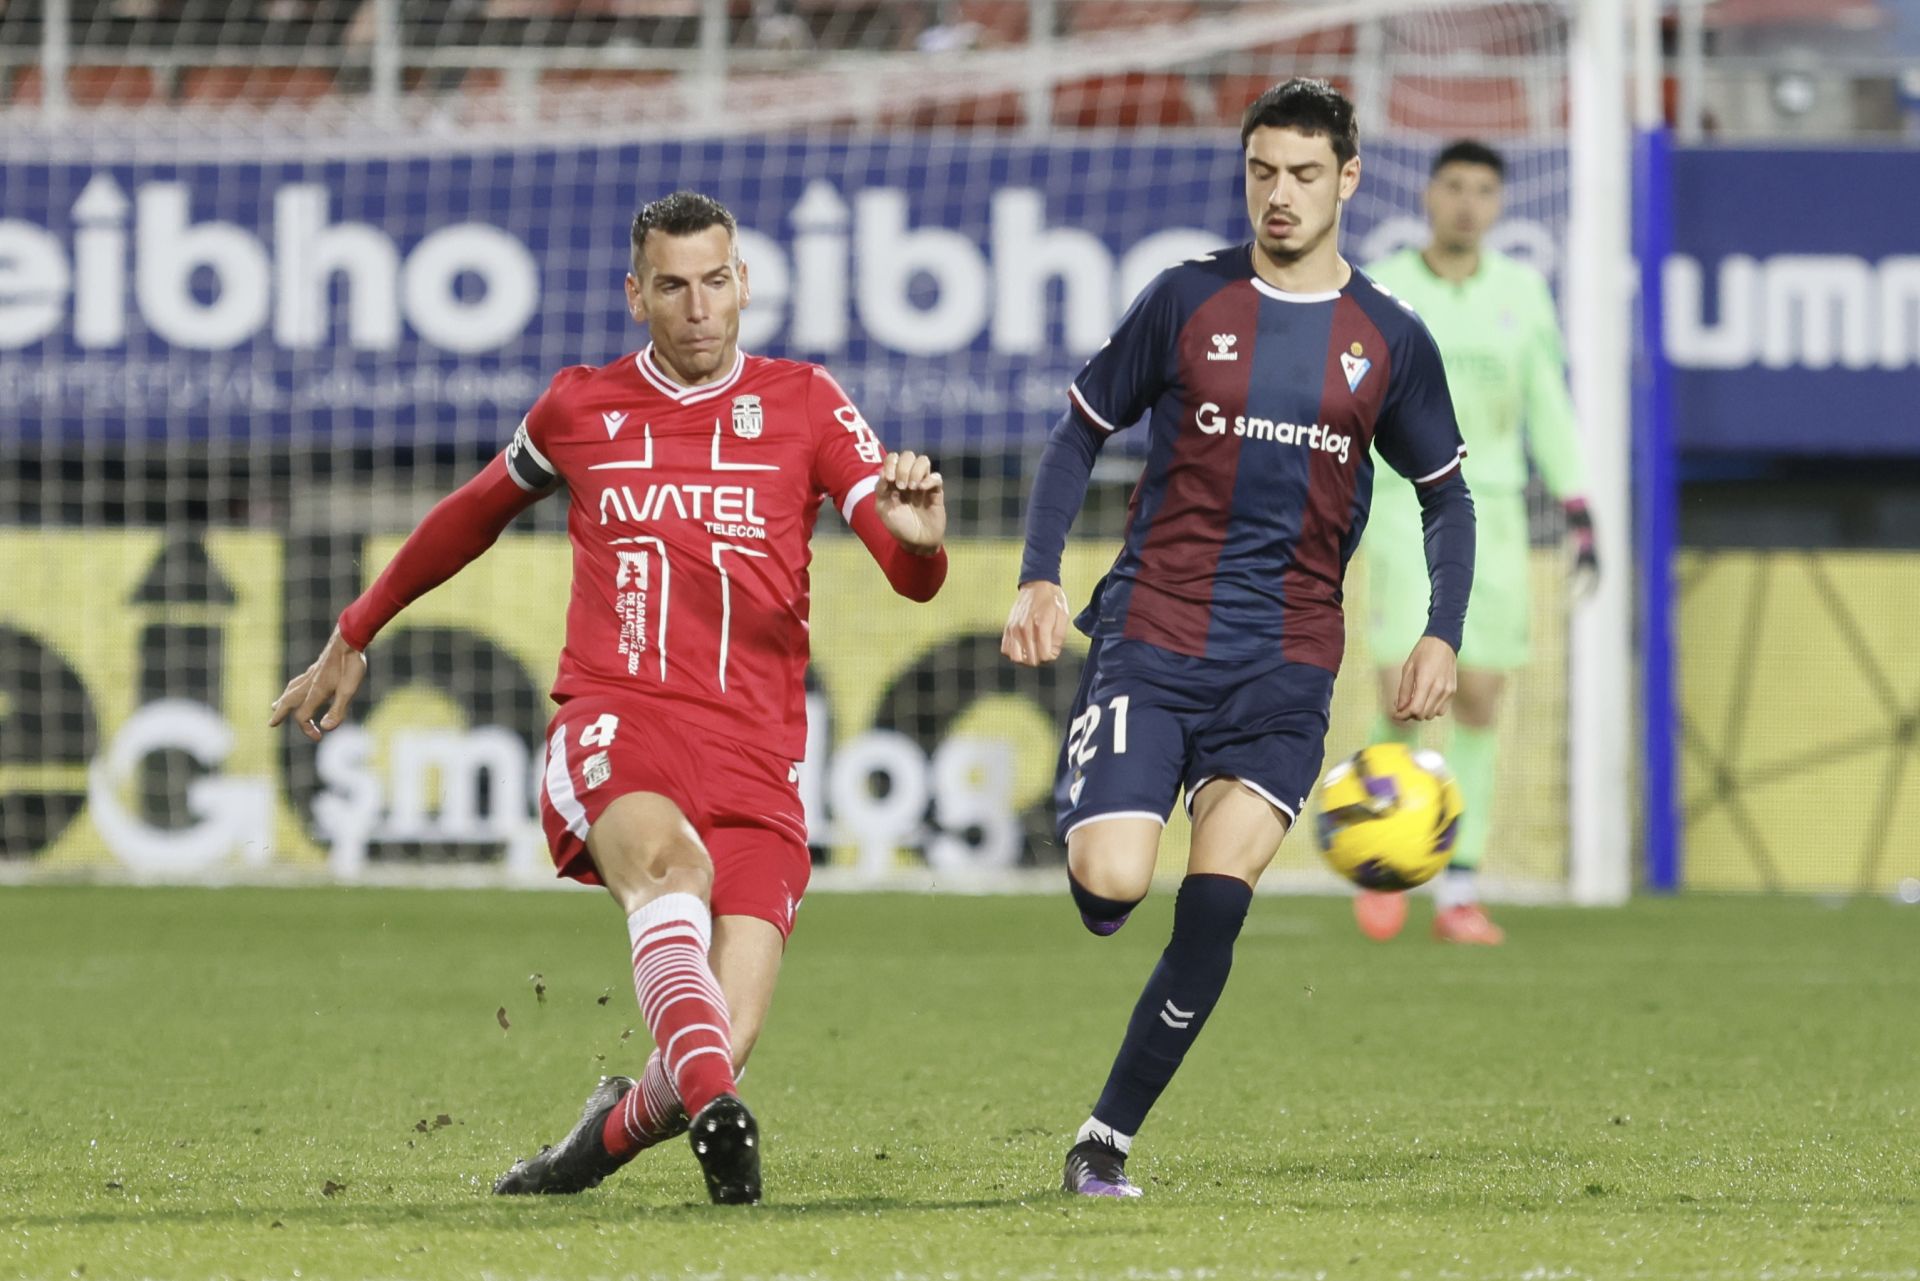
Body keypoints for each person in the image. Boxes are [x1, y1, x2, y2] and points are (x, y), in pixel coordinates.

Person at [270, 191, 949, 1206]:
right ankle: (725, 1121)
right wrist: (354, 628)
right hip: (619, 718)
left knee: (718, 1037)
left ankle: (612, 1133)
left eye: (715, 281)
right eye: (672, 286)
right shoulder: (580, 410)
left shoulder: (805, 403)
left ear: (744, 284)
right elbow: (472, 514)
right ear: (637, 296)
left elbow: (910, 574)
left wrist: (923, 541)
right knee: (668, 875)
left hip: (760, 756)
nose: (697, 307)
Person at [1000, 78, 1476, 1199]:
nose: (1281, 194)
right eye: (1263, 171)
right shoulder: (1186, 299)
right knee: (1114, 888)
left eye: (1306, 174)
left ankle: (1103, 1142)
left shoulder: (1388, 339)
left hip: (1288, 662)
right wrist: (1037, 576)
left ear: (1349, 180)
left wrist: (1439, 632)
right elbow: (1078, 434)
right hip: (1153, 636)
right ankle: (1106, 841)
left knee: (1217, 899)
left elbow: (1449, 498)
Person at [1357, 140, 1598, 947]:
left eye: (1483, 190)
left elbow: (1546, 399)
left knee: (1482, 696)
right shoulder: (1385, 284)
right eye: (1454, 186)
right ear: (1429, 195)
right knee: (1404, 685)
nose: (1467, 203)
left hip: (1491, 510)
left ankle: (1458, 884)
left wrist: (1578, 501)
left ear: (1498, 204)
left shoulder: (1521, 291)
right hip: (1399, 503)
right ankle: (1385, 859)